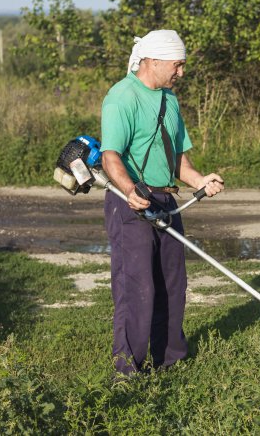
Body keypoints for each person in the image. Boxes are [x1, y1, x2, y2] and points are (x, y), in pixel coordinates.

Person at [100, 29, 224, 376]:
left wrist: (200, 180)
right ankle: (127, 370)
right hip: (130, 201)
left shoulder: (170, 100)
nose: (181, 73)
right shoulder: (122, 97)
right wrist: (129, 191)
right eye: (177, 65)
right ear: (152, 61)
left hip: (167, 199)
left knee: (173, 283)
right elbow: (111, 157)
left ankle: (170, 361)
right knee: (137, 286)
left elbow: (178, 160)